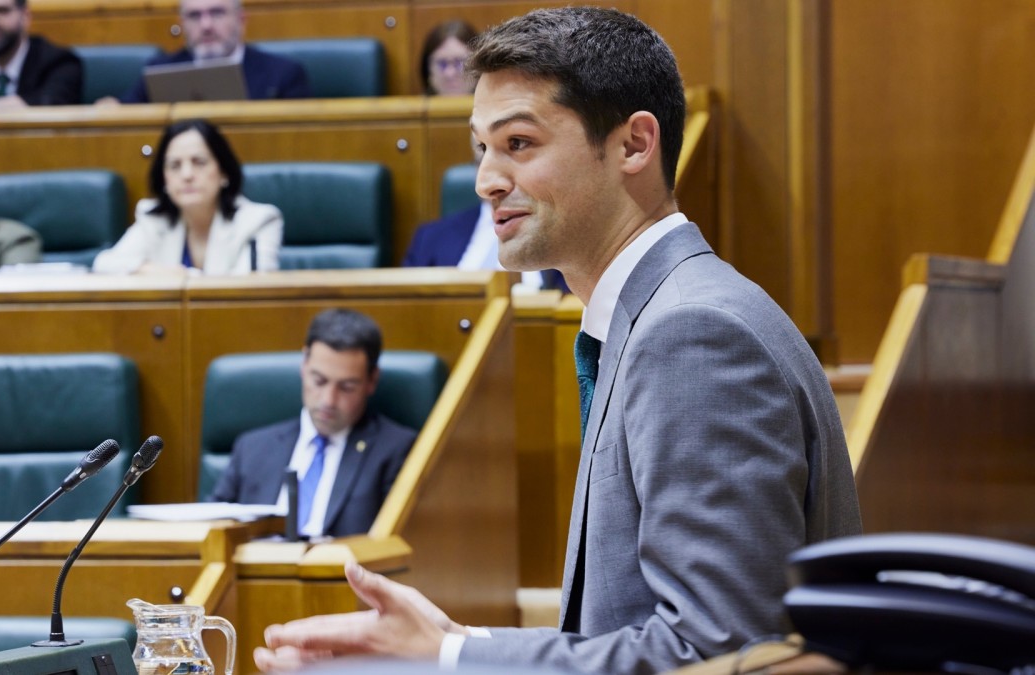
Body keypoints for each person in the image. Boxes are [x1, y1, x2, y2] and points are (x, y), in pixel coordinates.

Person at [254, 7, 862, 674]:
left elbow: (716, 653)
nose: (486, 179)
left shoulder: (693, 334)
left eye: (518, 143)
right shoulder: (662, 315)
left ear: (634, 145)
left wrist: (448, 658)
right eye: (480, 148)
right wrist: (456, 641)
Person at [209, 308, 417, 538]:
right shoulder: (252, 448)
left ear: (372, 380)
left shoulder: (396, 451)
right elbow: (209, 530)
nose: (328, 400)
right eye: (319, 381)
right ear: (304, 365)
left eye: (347, 387)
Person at [92, 118, 281, 276]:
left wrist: (186, 279)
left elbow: (251, 290)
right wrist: (152, 270)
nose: (187, 175)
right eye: (175, 165)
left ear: (224, 172)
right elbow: (104, 264)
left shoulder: (258, 221)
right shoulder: (154, 219)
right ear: (164, 179)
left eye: (199, 162)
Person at [403, 140, 566, 292]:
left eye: (510, 161)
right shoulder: (430, 237)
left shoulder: (563, 231)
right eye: (481, 162)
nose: (493, 179)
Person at [116, 0, 310, 104]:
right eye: (194, 16)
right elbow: (126, 113)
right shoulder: (159, 70)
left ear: (241, 21)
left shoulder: (283, 74)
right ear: (182, 24)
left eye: (217, 13)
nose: (206, 26)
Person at [419, 20, 476, 96]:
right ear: (428, 71)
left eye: (459, 62)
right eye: (442, 64)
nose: (450, 73)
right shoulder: (414, 107)